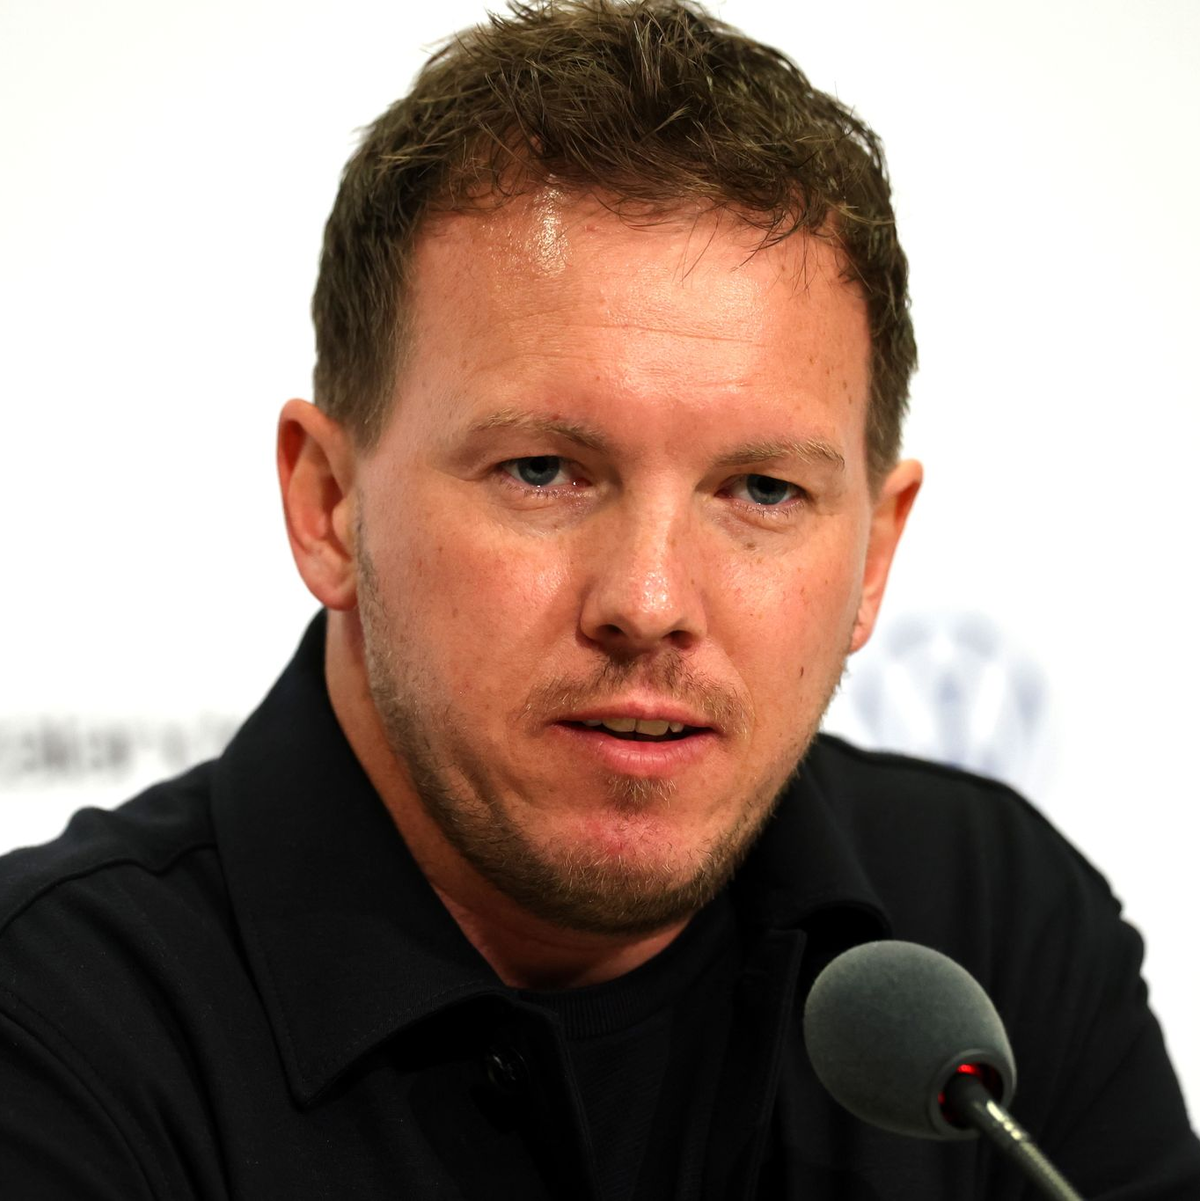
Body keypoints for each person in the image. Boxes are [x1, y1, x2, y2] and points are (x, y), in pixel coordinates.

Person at [1, 1, 1197, 1196]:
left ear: (873, 555)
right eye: (543, 471)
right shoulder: (55, 1030)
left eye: (763, 490)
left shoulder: (997, 930)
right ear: (329, 505)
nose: (651, 599)